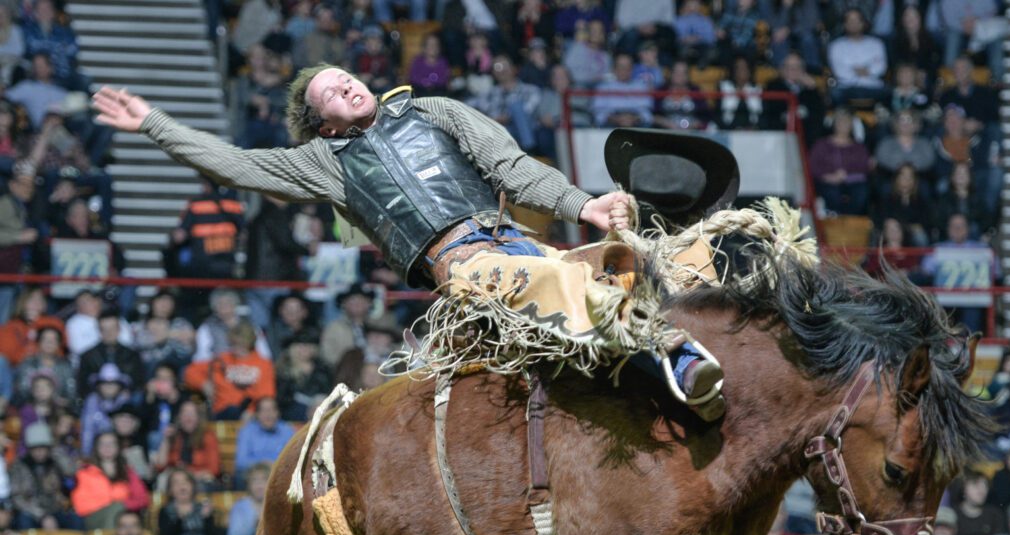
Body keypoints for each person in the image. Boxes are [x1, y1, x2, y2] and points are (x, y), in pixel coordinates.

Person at [92, 69, 727, 421]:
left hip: (519, 240)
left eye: (345, 79)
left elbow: (512, 167)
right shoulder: (324, 161)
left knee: (659, 262)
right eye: (331, 95)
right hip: (467, 269)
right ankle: (677, 357)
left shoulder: (437, 111)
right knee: (557, 284)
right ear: (324, 122)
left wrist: (583, 204)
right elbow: (233, 164)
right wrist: (152, 122)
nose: (346, 88)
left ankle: (710, 358)